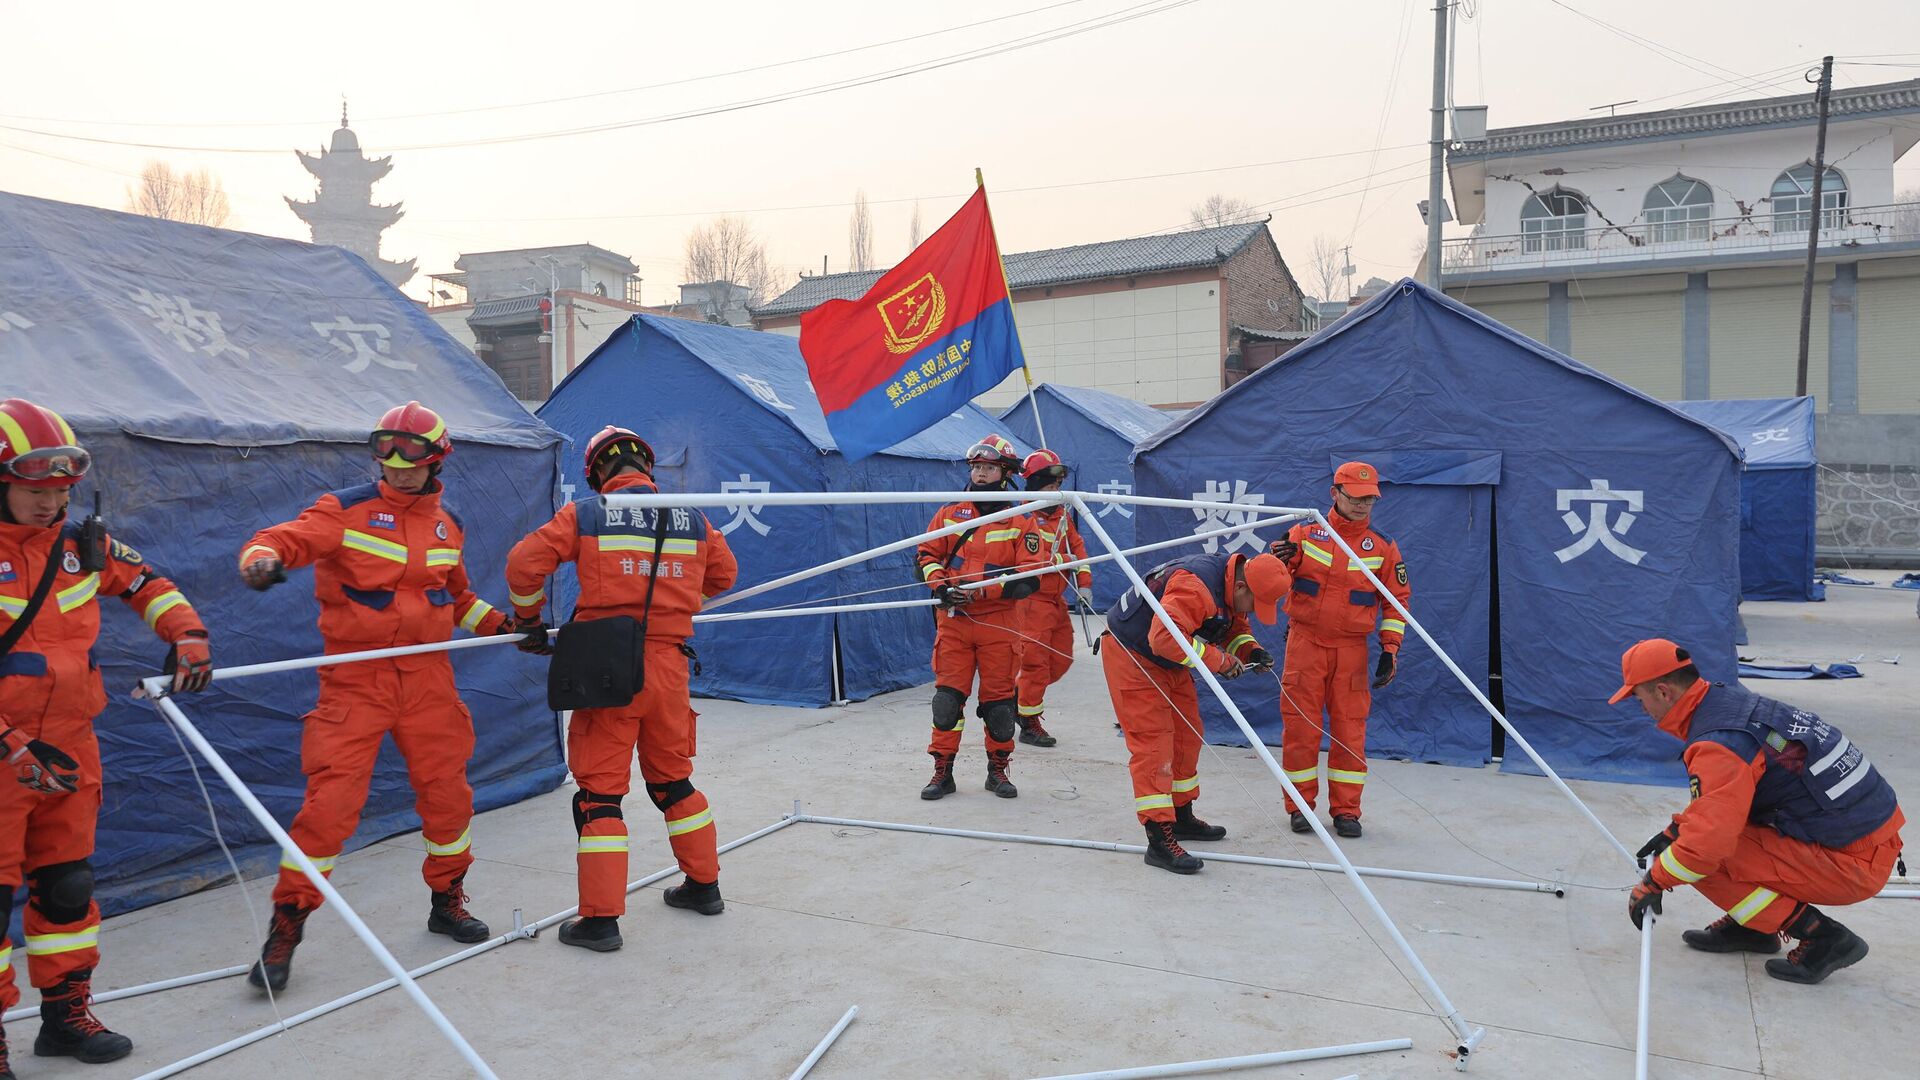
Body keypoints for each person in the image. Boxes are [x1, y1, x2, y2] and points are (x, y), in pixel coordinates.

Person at [237, 402, 513, 992]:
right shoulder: (343, 510)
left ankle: (448, 901)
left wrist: (509, 626)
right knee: (327, 812)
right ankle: (286, 930)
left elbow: (458, 599)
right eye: (386, 447)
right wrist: (261, 559)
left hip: (427, 682)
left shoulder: (449, 525)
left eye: (413, 452)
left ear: (438, 459)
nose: (397, 463)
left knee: (449, 801)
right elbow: (281, 539)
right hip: (355, 684)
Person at [0, 398, 212, 1067]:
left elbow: (148, 582)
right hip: (4, 755)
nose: (51, 503)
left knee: (66, 887)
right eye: (37, 490)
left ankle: (64, 1017)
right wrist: (10, 746)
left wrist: (188, 635)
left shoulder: (79, 545)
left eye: (62, 490)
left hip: (71, 746)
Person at [506, 426, 737, 954]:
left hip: (607, 671)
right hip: (670, 669)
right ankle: (704, 888)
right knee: (674, 784)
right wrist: (677, 596)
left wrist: (528, 620)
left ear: (597, 473)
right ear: (648, 470)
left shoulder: (587, 514)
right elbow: (724, 576)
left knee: (600, 797)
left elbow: (523, 563)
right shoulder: (694, 519)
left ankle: (601, 921)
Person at [1616, 639, 1904, 985]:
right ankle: (1755, 928)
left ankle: (1825, 938)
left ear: (1663, 692)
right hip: (1865, 838)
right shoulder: (1728, 704)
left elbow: (1707, 845)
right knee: (1694, 842)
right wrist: (1674, 831)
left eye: (1638, 696)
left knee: (1700, 860)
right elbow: (1728, 800)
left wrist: (1654, 881)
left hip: (1854, 861)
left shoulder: (1717, 742)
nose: (1639, 706)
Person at [1101, 551, 1291, 874]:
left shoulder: (1230, 585)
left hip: (1168, 660)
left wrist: (1249, 650)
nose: (1256, 613)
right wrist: (1219, 661)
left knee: (1188, 735)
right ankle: (1159, 840)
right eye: (1256, 604)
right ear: (1243, 587)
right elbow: (1163, 637)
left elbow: (1232, 626)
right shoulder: (1196, 586)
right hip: (1133, 655)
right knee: (1154, 745)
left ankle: (1181, 815)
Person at [1267, 460, 1410, 838]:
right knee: (1300, 730)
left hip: (1351, 651)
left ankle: (1347, 811)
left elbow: (1396, 601)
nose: (1364, 505)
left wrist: (1389, 649)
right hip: (1305, 645)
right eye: (1357, 497)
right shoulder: (1304, 532)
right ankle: (1300, 808)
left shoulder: (1382, 546)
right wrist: (1278, 562)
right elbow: (1276, 577)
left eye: (1371, 499)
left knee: (1350, 732)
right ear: (1336, 493)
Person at [914, 435, 1044, 801]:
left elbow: (1029, 577)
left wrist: (981, 592)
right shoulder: (950, 513)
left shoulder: (1021, 519)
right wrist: (939, 587)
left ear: (1005, 473)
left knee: (1000, 707)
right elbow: (926, 555)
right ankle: (943, 771)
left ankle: (998, 770)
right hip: (954, 622)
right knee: (946, 701)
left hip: (1000, 625)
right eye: (976, 467)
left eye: (988, 467)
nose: (981, 474)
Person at [1011, 450, 1093, 748]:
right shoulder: (1019, 515)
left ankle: (1017, 699)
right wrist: (1065, 558)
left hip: (1056, 601)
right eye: (1049, 484)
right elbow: (1033, 559)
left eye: (1057, 484)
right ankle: (1029, 722)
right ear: (1034, 484)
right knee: (1035, 663)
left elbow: (1079, 548)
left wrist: (1084, 582)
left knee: (1061, 660)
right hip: (1031, 601)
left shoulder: (1062, 514)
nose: (1055, 490)